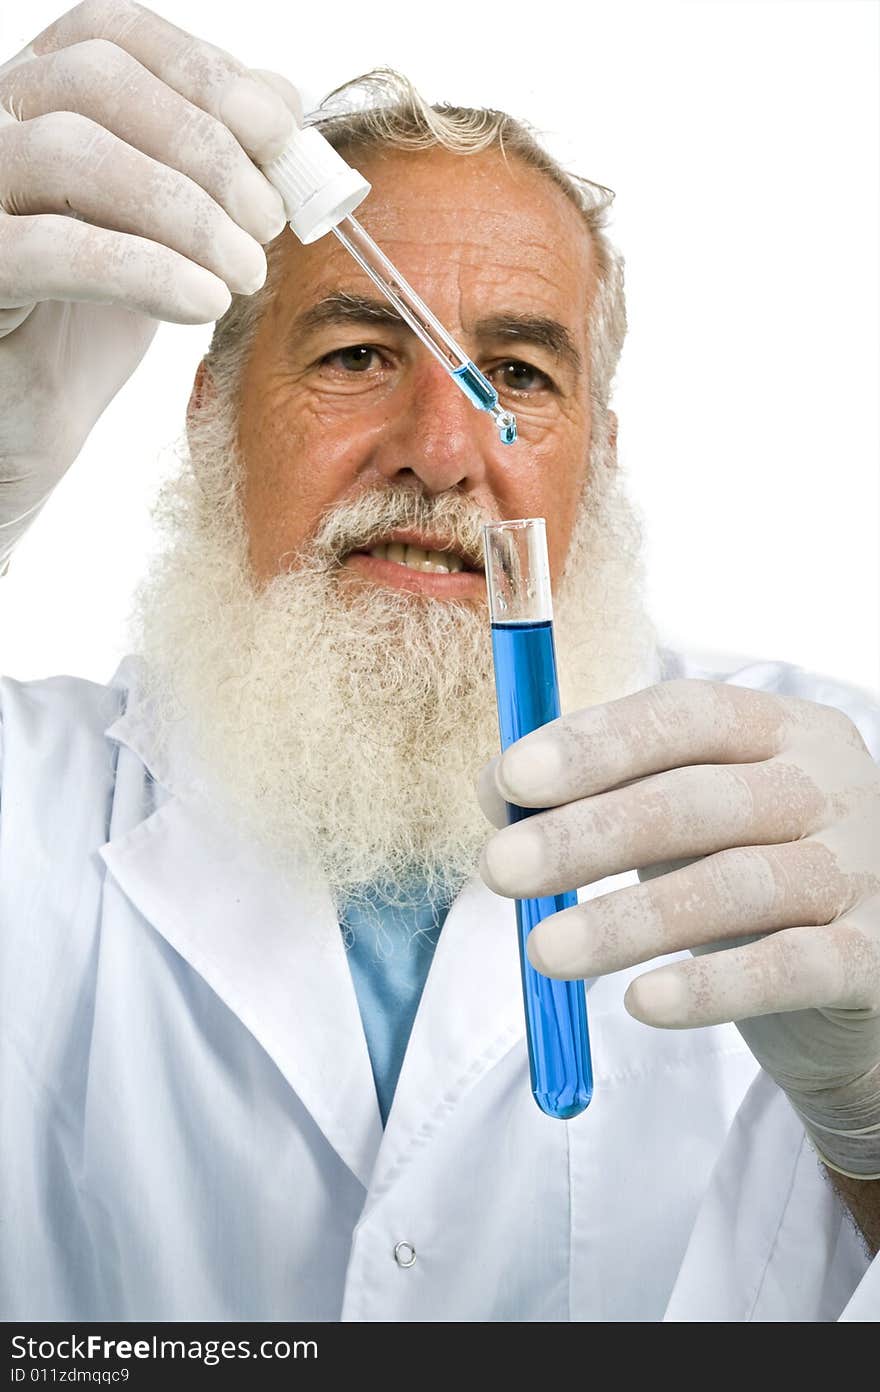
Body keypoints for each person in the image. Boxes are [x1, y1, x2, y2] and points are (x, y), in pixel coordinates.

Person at [1, 2, 878, 1323]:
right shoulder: (33, 807)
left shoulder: (832, 811)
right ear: (211, 419)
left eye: (516, 375)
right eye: (356, 355)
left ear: (605, 453)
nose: (443, 450)